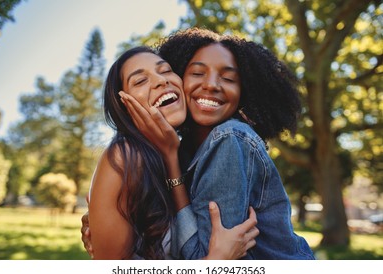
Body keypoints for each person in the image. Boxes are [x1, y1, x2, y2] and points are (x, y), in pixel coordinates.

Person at [120, 28, 315, 259]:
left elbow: (204, 260)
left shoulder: (229, 139)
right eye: (197, 73)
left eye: (229, 78)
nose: (212, 84)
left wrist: (170, 160)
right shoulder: (181, 149)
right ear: (178, 80)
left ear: (243, 92)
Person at [86, 45, 259, 260]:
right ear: (124, 108)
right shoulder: (124, 157)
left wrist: (170, 157)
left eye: (166, 70)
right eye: (140, 81)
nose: (161, 80)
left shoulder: (189, 154)